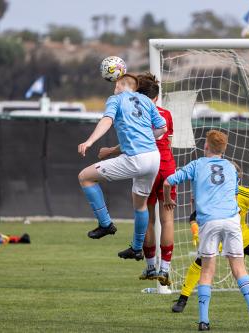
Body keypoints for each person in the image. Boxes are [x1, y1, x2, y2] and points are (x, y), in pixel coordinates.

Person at [163, 130, 249, 332]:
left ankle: (204, 321)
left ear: (206, 146)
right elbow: (232, 193)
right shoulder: (230, 167)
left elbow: (168, 181)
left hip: (209, 221)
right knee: (239, 269)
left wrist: (168, 199)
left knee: (207, 270)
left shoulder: (196, 164)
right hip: (231, 220)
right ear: (224, 149)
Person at [78, 74, 167, 260]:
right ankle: (136, 248)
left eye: (117, 83)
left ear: (120, 84)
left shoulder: (115, 99)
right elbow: (162, 128)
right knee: (140, 205)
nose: (114, 86)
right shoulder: (145, 100)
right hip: (153, 158)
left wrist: (90, 141)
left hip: (135, 158)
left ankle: (105, 224)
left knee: (85, 177)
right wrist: (145, 137)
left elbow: (107, 120)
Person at [99, 73, 176, 284]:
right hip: (167, 166)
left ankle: (151, 267)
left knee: (148, 217)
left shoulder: (136, 109)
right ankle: (166, 269)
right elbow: (166, 143)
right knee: (167, 220)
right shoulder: (166, 115)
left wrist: (111, 151)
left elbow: (137, 139)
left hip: (146, 165)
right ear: (156, 96)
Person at [171, 162, 249, 313]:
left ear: (236, 179)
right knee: (201, 262)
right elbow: (194, 215)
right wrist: (195, 231)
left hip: (241, 234)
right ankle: (182, 299)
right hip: (218, 234)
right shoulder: (213, 195)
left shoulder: (245, 193)